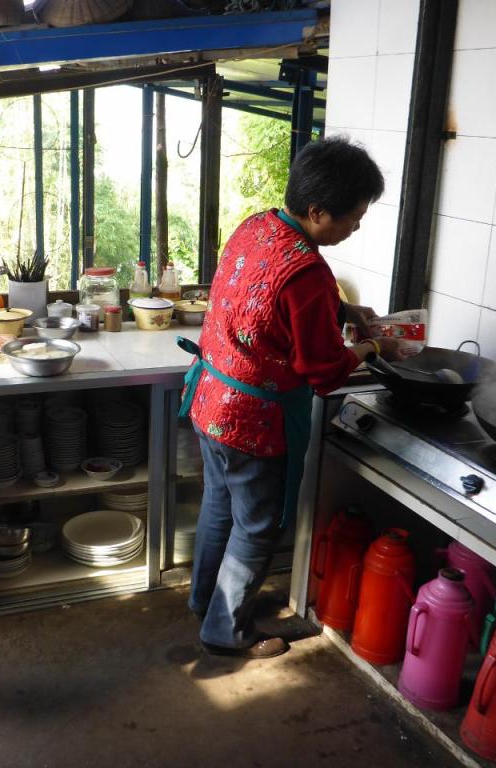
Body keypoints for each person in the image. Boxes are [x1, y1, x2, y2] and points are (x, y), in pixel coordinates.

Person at [179, 136, 406, 659]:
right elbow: (324, 373)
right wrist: (374, 345)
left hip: (209, 401)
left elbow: (263, 307)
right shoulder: (308, 273)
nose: (356, 226)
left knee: (219, 505)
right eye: (352, 216)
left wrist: (345, 313)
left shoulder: (257, 226)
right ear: (317, 210)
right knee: (257, 526)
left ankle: (203, 602)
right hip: (253, 423)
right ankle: (224, 631)